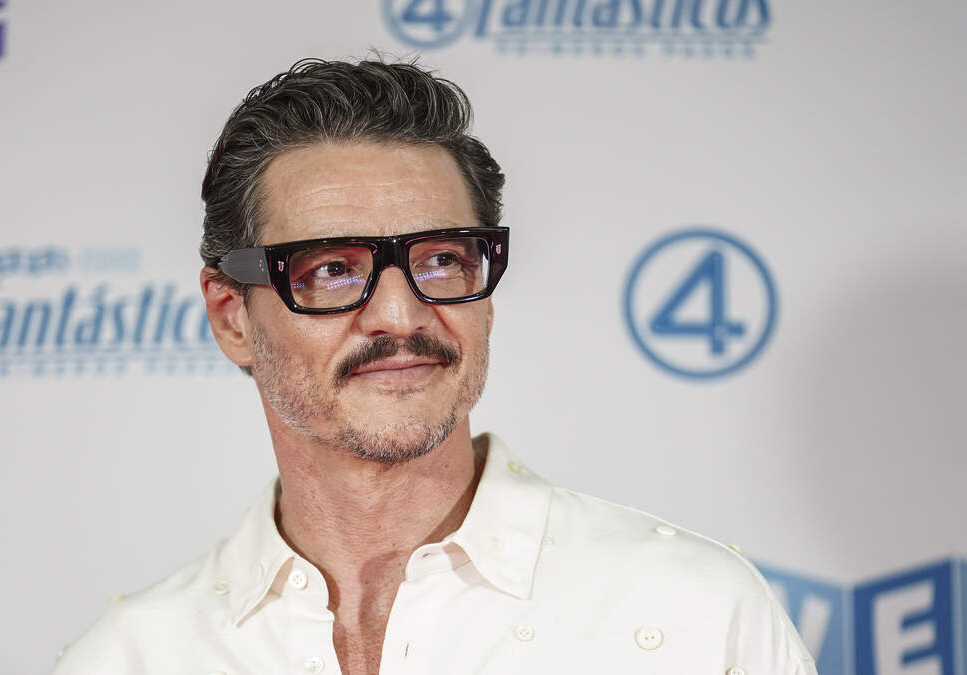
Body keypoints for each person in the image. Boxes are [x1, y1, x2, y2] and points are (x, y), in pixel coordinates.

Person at [52, 57, 817, 675]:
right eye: (331, 270)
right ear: (231, 317)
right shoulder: (129, 658)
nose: (400, 314)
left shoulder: (693, 617)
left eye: (442, 259)